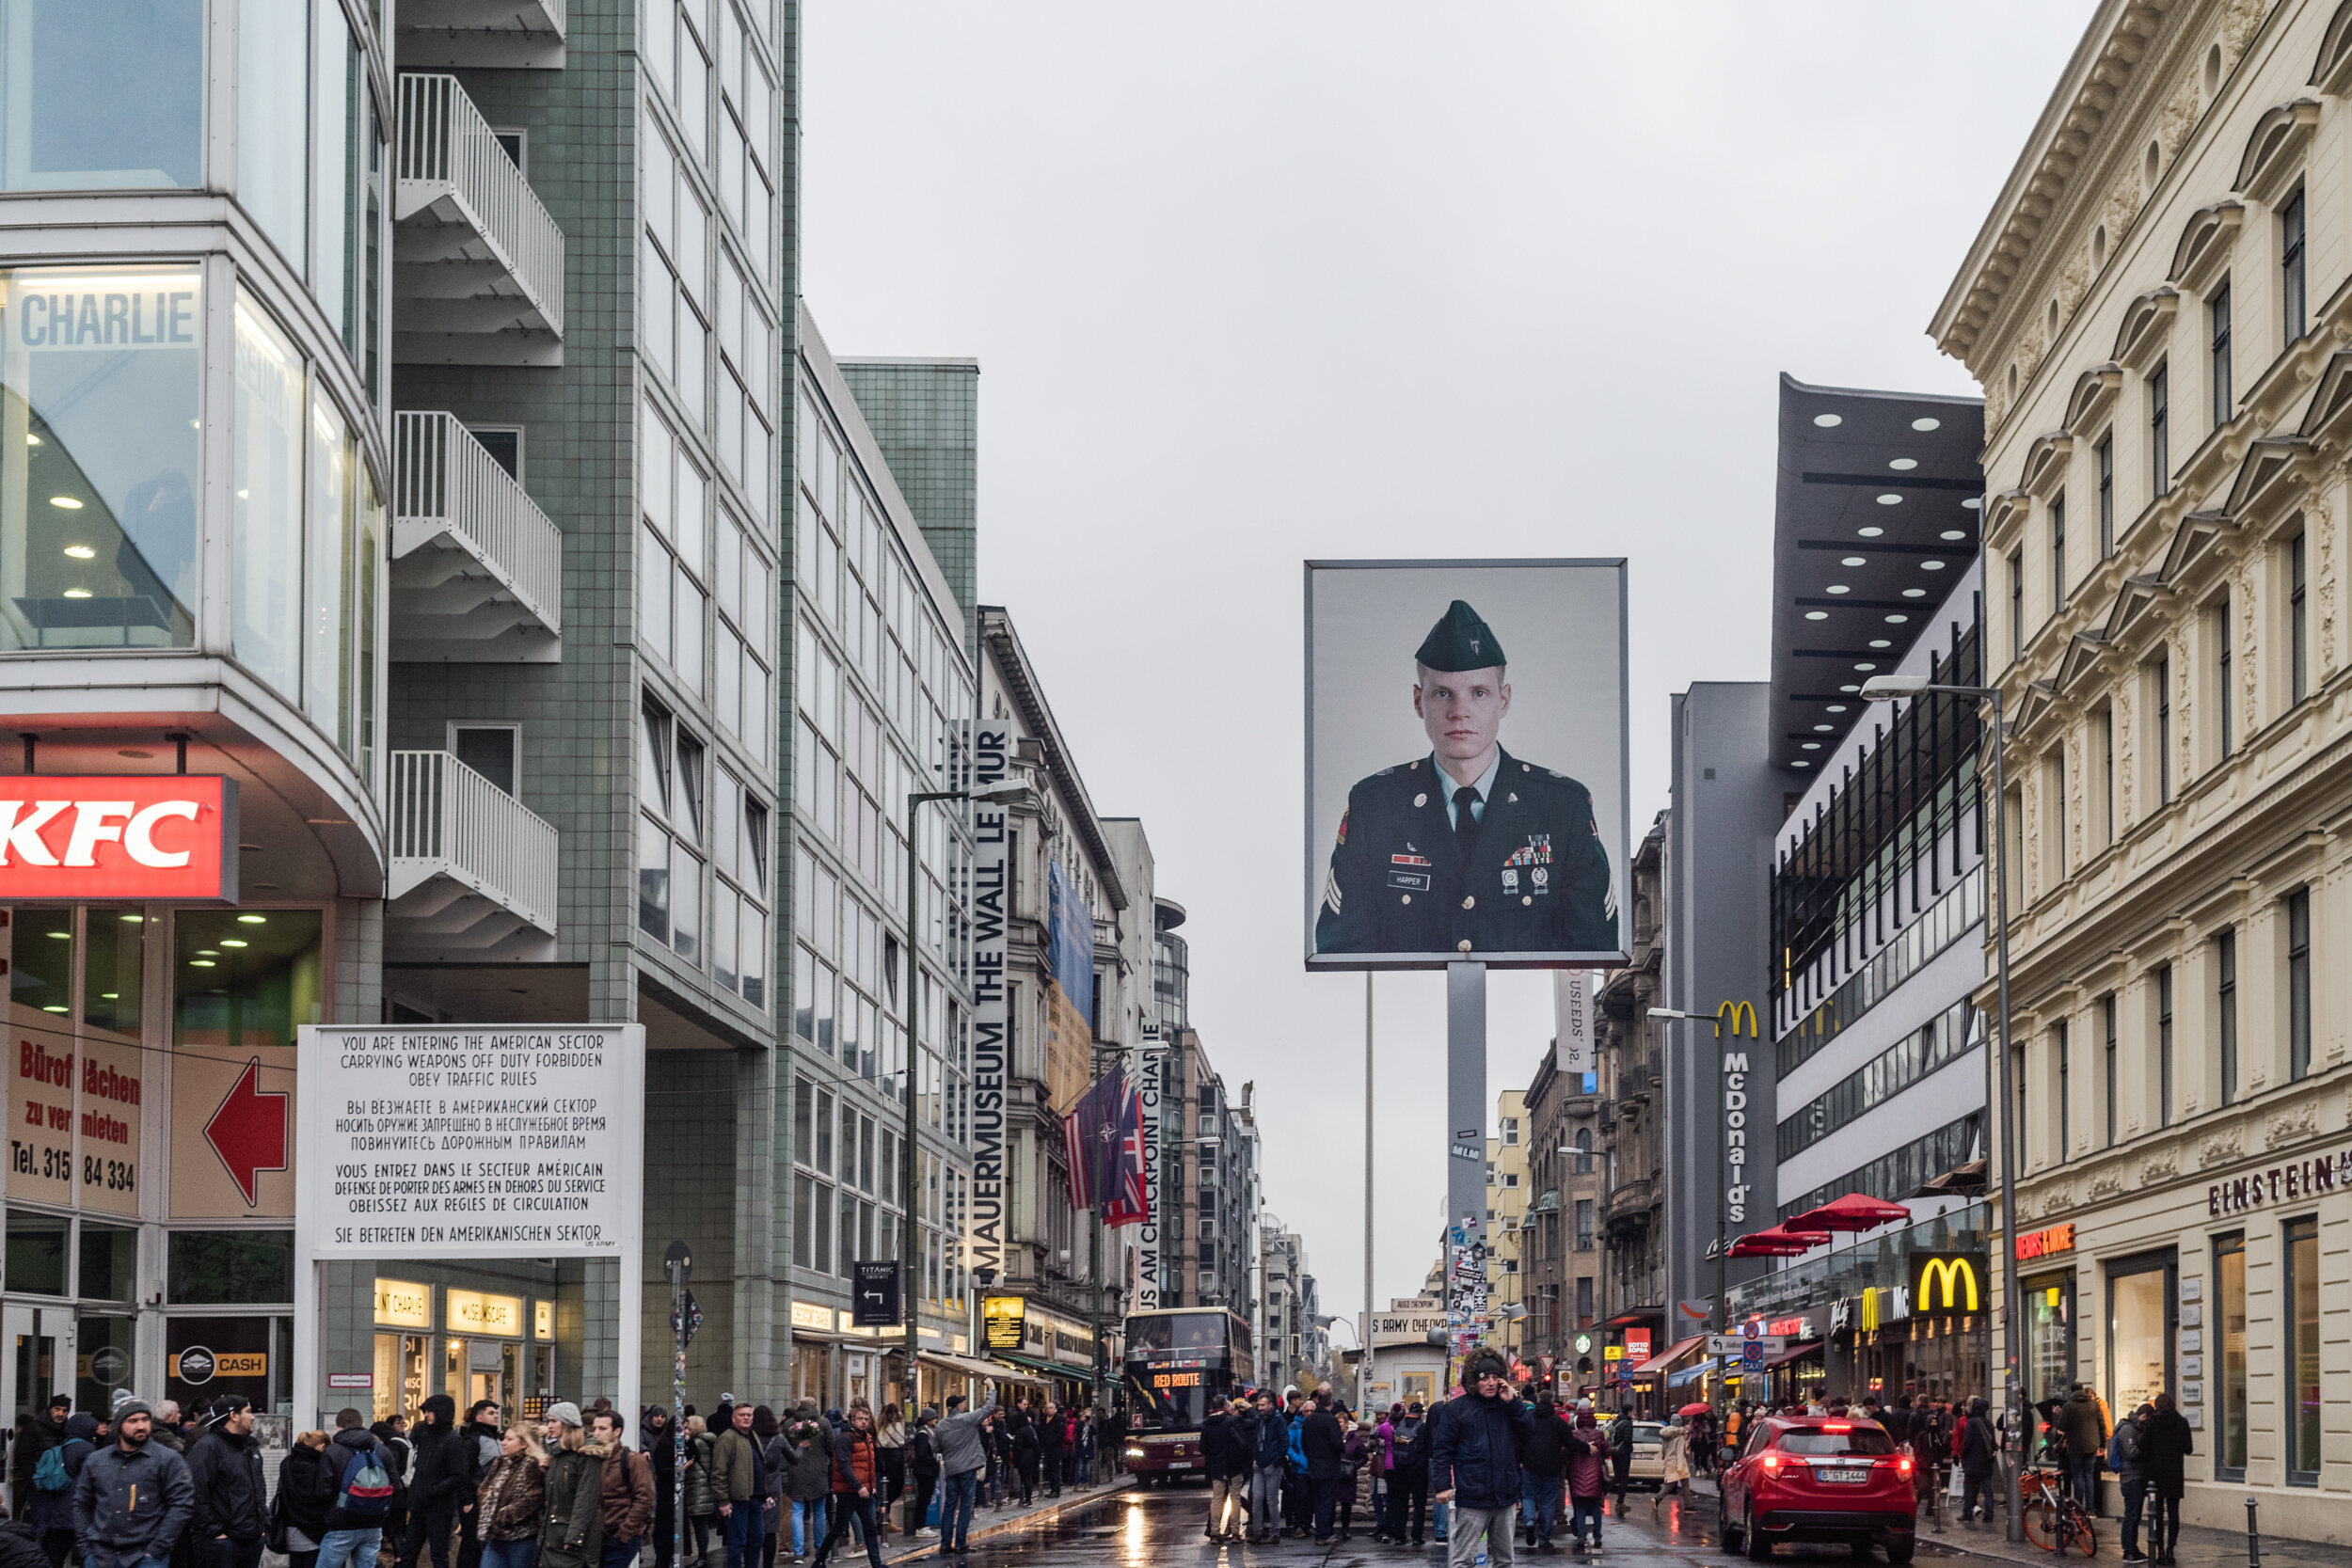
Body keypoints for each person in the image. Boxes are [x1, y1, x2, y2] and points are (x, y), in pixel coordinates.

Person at [1314, 598, 1617, 957]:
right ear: (1418, 701)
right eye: (1443, 693)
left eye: (1479, 693)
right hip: (1413, 1007)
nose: (1460, 712)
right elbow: (1342, 948)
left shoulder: (1561, 806)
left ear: (1503, 701)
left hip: (1522, 1008)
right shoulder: (1375, 805)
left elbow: (1592, 946)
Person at [1430, 1352, 1533, 1568]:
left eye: (1495, 1377)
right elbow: (1441, 1450)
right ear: (1474, 1380)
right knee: (1463, 1560)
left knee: (1505, 1561)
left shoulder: (1507, 1406)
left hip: (1505, 1496)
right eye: (1485, 1378)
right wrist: (1442, 1485)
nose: (1491, 1383)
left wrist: (1513, 1402)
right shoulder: (1457, 1409)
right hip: (1473, 1496)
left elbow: (1529, 1431)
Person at [72, 1402, 193, 1568]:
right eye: (133, 1421)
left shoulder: (168, 1459)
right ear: (119, 1426)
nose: (141, 1426)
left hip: (146, 1556)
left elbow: (182, 1504)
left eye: (145, 1419)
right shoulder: (96, 1460)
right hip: (101, 1556)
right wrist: (86, 1549)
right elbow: (81, 1504)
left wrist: (158, 1548)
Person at [185, 1398, 266, 1568]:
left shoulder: (250, 1447)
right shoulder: (207, 1448)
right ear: (233, 1416)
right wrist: (215, 1532)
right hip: (223, 1543)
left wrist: (263, 1526)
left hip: (252, 1537)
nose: (252, 1417)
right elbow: (196, 1493)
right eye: (248, 1411)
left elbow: (258, 1489)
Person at [402, 1396, 475, 1568]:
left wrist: (434, 1490)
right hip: (418, 1505)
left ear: (441, 1412)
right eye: (425, 1411)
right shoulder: (424, 1435)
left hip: (439, 1509)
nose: (426, 1415)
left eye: (430, 1411)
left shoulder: (452, 1440)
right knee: (408, 1554)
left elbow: (459, 1475)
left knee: (439, 1555)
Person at [807, 1409, 881, 1568]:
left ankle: (877, 1563)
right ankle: (819, 1560)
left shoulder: (866, 1437)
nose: (864, 1422)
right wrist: (858, 1486)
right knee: (839, 1527)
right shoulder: (845, 1439)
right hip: (848, 1492)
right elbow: (844, 1465)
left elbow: (869, 1466)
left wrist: (871, 1485)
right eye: (860, 1419)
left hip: (864, 1491)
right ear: (852, 1420)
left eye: (866, 1419)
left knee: (871, 1527)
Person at [931, 1389, 995, 1556]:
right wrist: (991, 1388)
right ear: (959, 1406)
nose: (964, 1405)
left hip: (951, 1469)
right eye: (962, 1403)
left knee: (950, 1506)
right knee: (966, 1504)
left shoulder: (940, 1425)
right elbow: (989, 1407)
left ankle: (945, 1544)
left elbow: (936, 1448)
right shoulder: (967, 1419)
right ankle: (960, 1542)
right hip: (967, 1467)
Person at [536, 1408, 602, 1568]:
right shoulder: (555, 1454)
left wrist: (573, 1538)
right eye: (548, 1421)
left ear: (567, 1425)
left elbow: (585, 1499)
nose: (549, 1426)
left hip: (572, 1543)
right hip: (551, 1537)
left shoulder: (587, 1455)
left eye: (554, 1421)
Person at [473, 1423, 545, 1568]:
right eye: (504, 1438)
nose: (503, 1443)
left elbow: (534, 1497)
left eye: (509, 1439)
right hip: (495, 1534)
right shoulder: (500, 1462)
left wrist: (505, 1515)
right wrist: (488, 1506)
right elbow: (485, 1488)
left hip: (520, 1537)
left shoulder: (532, 1464)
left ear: (524, 1443)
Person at [32, 1413, 96, 1568]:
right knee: (85, 1554)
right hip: (76, 1509)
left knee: (54, 1556)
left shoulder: (63, 1446)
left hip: (56, 1510)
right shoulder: (88, 1448)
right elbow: (93, 1477)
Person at [586, 1412, 650, 1568]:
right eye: (594, 1428)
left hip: (620, 1534)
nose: (596, 1433)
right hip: (595, 1535)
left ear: (617, 1431)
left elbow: (644, 1498)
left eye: (602, 1428)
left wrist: (626, 1532)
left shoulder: (632, 1460)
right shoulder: (592, 1458)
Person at [2137, 1392, 2192, 1567]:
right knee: (2174, 1513)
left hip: (2155, 1474)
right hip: (2174, 1473)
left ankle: (2159, 1550)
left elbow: (2142, 1445)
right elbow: (2188, 1448)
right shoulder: (2182, 1422)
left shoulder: (2152, 1422)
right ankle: (2171, 1550)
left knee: (2157, 1514)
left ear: (2158, 1407)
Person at [707, 1406, 761, 1568]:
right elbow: (718, 1472)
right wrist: (723, 1500)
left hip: (754, 1498)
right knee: (738, 1543)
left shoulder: (753, 1435)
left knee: (757, 1540)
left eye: (749, 1415)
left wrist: (764, 1494)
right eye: (742, 1415)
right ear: (733, 1418)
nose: (746, 1418)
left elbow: (760, 1465)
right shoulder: (727, 1438)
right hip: (737, 1500)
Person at [274, 1432, 335, 1568]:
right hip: (316, 1530)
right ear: (322, 1447)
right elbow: (324, 1496)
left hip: (291, 1528)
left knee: (296, 1562)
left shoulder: (287, 1463)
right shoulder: (320, 1466)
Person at [777, 1403, 827, 1562]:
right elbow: (831, 1446)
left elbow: (783, 1448)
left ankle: (798, 1552)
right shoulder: (823, 1423)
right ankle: (819, 1549)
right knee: (819, 1512)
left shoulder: (788, 1424)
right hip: (818, 1472)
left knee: (797, 1511)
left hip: (795, 1472)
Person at [1517, 1392, 1566, 1550]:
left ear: (1538, 1401)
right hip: (1551, 1468)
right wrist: (1587, 1448)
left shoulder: (1529, 1418)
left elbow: (1519, 1440)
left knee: (1529, 1497)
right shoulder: (1557, 1421)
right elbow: (1570, 1441)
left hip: (1530, 1465)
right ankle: (1544, 1538)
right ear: (1552, 1402)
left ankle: (1530, 1522)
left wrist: (1519, 1459)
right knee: (1548, 1502)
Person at [1300, 1392, 1346, 1546]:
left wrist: (1312, 1458)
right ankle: (1323, 1534)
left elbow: (1304, 1443)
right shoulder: (1330, 1420)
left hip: (1313, 1466)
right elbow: (1337, 1444)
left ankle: (1320, 1533)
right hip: (1329, 1467)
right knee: (1326, 1502)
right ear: (1331, 1403)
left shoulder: (1309, 1420)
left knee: (1318, 1501)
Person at [1200, 1399, 1248, 1544]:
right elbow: (1242, 1443)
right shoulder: (1232, 1421)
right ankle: (1235, 1533)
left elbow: (1203, 1448)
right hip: (1233, 1466)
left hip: (1216, 1467)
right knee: (1235, 1499)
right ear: (1225, 1406)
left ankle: (1215, 1533)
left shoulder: (1207, 1425)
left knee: (1217, 1499)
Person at [1386, 1401, 1431, 1549]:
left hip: (1400, 1470)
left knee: (1401, 1503)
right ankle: (1417, 1537)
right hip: (1418, 1471)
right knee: (1419, 1504)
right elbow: (1429, 1449)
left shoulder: (1399, 1426)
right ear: (1421, 1413)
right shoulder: (1423, 1427)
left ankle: (1400, 1535)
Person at [1565, 1405, 1609, 1552]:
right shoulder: (1599, 1434)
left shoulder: (1574, 1435)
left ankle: (1582, 1535)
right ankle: (1597, 1536)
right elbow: (1607, 1451)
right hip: (1595, 1475)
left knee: (1580, 1507)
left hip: (1577, 1474)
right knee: (1596, 1507)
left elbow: (1566, 1452)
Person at [2057, 1385, 2105, 1516]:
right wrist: (2103, 1445)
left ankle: (2079, 1509)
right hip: (2092, 1445)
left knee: (2078, 1476)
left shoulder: (2069, 1405)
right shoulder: (2094, 1404)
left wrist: (2057, 1415)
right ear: (2082, 1390)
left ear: (2071, 1391)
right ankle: (2090, 1509)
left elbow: (2062, 1426)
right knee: (2089, 1475)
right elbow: (2102, 1424)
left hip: (2076, 1446)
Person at [2111, 1402, 2149, 1562]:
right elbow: (2131, 1452)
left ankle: (2133, 1548)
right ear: (2144, 1417)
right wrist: (2146, 1446)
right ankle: (2128, 1550)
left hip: (2135, 1477)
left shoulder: (2135, 1428)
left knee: (2135, 1516)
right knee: (2131, 1516)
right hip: (2130, 1477)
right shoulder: (2128, 1429)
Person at [373, 1418, 414, 1557]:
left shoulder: (393, 1445)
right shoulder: (403, 1441)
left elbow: (392, 1467)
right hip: (405, 1489)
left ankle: (400, 1558)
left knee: (395, 1527)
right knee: (399, 1525)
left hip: (397, 1492)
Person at [679, 1419, 717, 1567]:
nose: (686, 1430)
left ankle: (702, 1557)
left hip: (697, 1485)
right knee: (702, 1523)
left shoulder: (698, 1443)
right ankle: (702, 1556)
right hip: (705, 1485)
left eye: (688, 1427)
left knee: (699, 1524)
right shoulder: (710, 1440)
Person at [1957, 1396, 1999, 1525]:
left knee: (1969, 1488)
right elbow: (1992, 1442)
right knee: (1987, 1488)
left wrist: (1963, 1455)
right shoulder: (1989, 1423)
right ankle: (1989, 1514)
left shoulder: (1972, 1422)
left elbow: (1967, 1443)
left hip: (1972, 1462)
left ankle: (1967, 1513)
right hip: (1986, 1462)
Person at [639, 1411, 673, 1568]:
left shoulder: (665, 1435)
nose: (659, 1420)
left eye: (662, 1417)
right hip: (648, 1476)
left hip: (661, 1481)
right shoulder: (643, 1431)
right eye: (657, 1416)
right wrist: (643, 1450)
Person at [902, 1415, 939, 1543]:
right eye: (934, 1418)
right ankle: (920, 1526)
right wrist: (934, 1461)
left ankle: (921, 1525)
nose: (936, 1420)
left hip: (925, 1470)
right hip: (925, 1471)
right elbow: (922, 1454)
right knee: (924, 1498)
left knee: (924, 1498)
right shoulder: (923, 1434)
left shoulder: (924, 1432)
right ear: (928, 1420)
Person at [870, 1407, 903, 1538]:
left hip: (884, 1462)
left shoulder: (880, 1427)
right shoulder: (898, 1426)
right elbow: (902, 1441)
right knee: (894, 1491)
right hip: (896, 1462)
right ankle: (883, 1515)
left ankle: (883, 1515)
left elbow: (881, 1443)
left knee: (885, 1490)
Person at [1654, 1415, 1690, 1514]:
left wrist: (1664, 1455)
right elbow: (1679, 1452)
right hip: (1678, 1462)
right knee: (1685, 1483)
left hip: (1669, 1461)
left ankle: (1657, 1499)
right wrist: (1680, 1466)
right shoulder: (1680, 1435)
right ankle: (1688, 1505)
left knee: (1670, 1483)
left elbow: (1664, 1448)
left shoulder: (1666, 1434)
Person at [1605, 1404, 1633, 1517]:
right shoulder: (1627, 1423)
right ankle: (1620, 1502)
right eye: (1632, 1412)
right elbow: (1627, 1439)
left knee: (1616, 1476)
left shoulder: (1615, 1421)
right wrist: (1629, 1447)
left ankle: (1602, 1493)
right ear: (1629, 1412)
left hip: (1614, 1451)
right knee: (1624, 1477)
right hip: (1624, 1453)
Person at [1030, 1404, 1061, 1503]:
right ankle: (1053, 1488)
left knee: (1054, 1469)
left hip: (1055, 1449)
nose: (1049, 1410)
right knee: (1049, 1470)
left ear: (1055, 1409)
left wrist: (1051, 1441)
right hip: (1046, 1448)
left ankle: (1056, 1489)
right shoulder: (1044, 1419)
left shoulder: (1059, 1419)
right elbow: (1040, 1430)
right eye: (1047, 1408)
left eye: (1051, 1408)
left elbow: (1060, 1434)